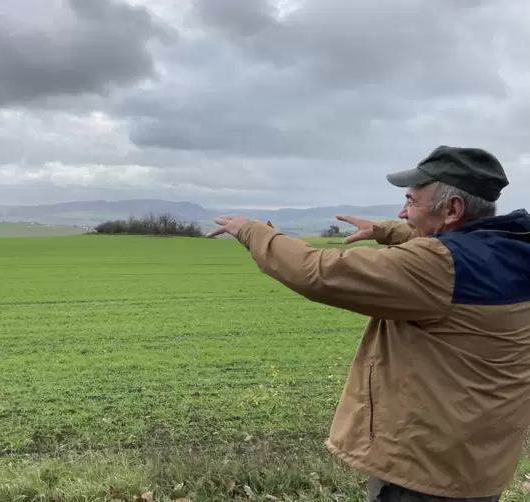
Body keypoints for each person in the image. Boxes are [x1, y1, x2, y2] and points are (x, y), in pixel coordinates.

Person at [207, 145, 530, 501]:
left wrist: (254, 232)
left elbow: (320, 273)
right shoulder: (512, 250)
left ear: (453, 209)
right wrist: (387, 230)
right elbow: (465, 247)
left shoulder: (438, 267)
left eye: (412, 202)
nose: (403, 210)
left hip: (423, 473)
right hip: (478, 463)